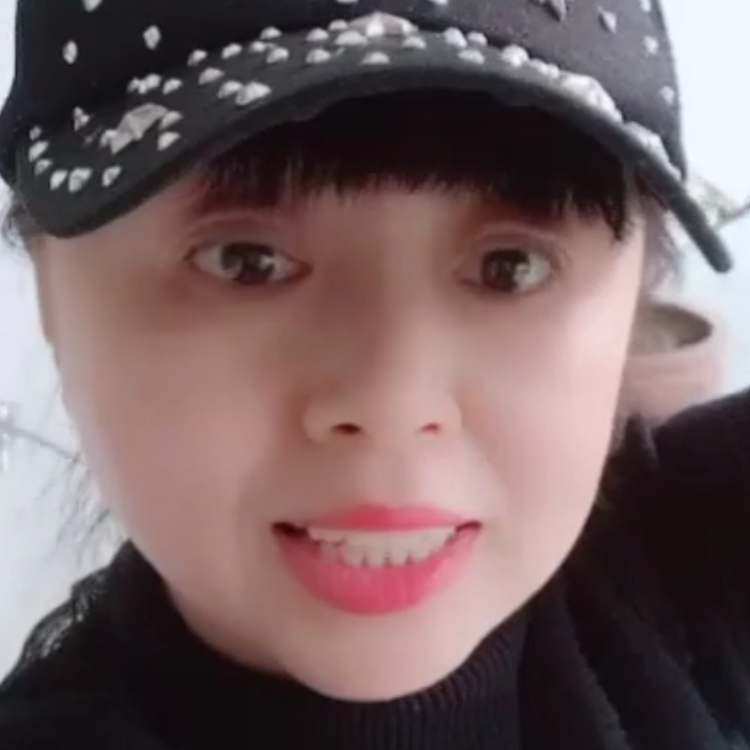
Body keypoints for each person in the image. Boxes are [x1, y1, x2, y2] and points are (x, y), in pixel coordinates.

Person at [0, 0, 747, 748]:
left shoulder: (702, 565)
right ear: (50, 287)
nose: (392, 401)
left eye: (510, 267)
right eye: (245, 263)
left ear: (635, 294)